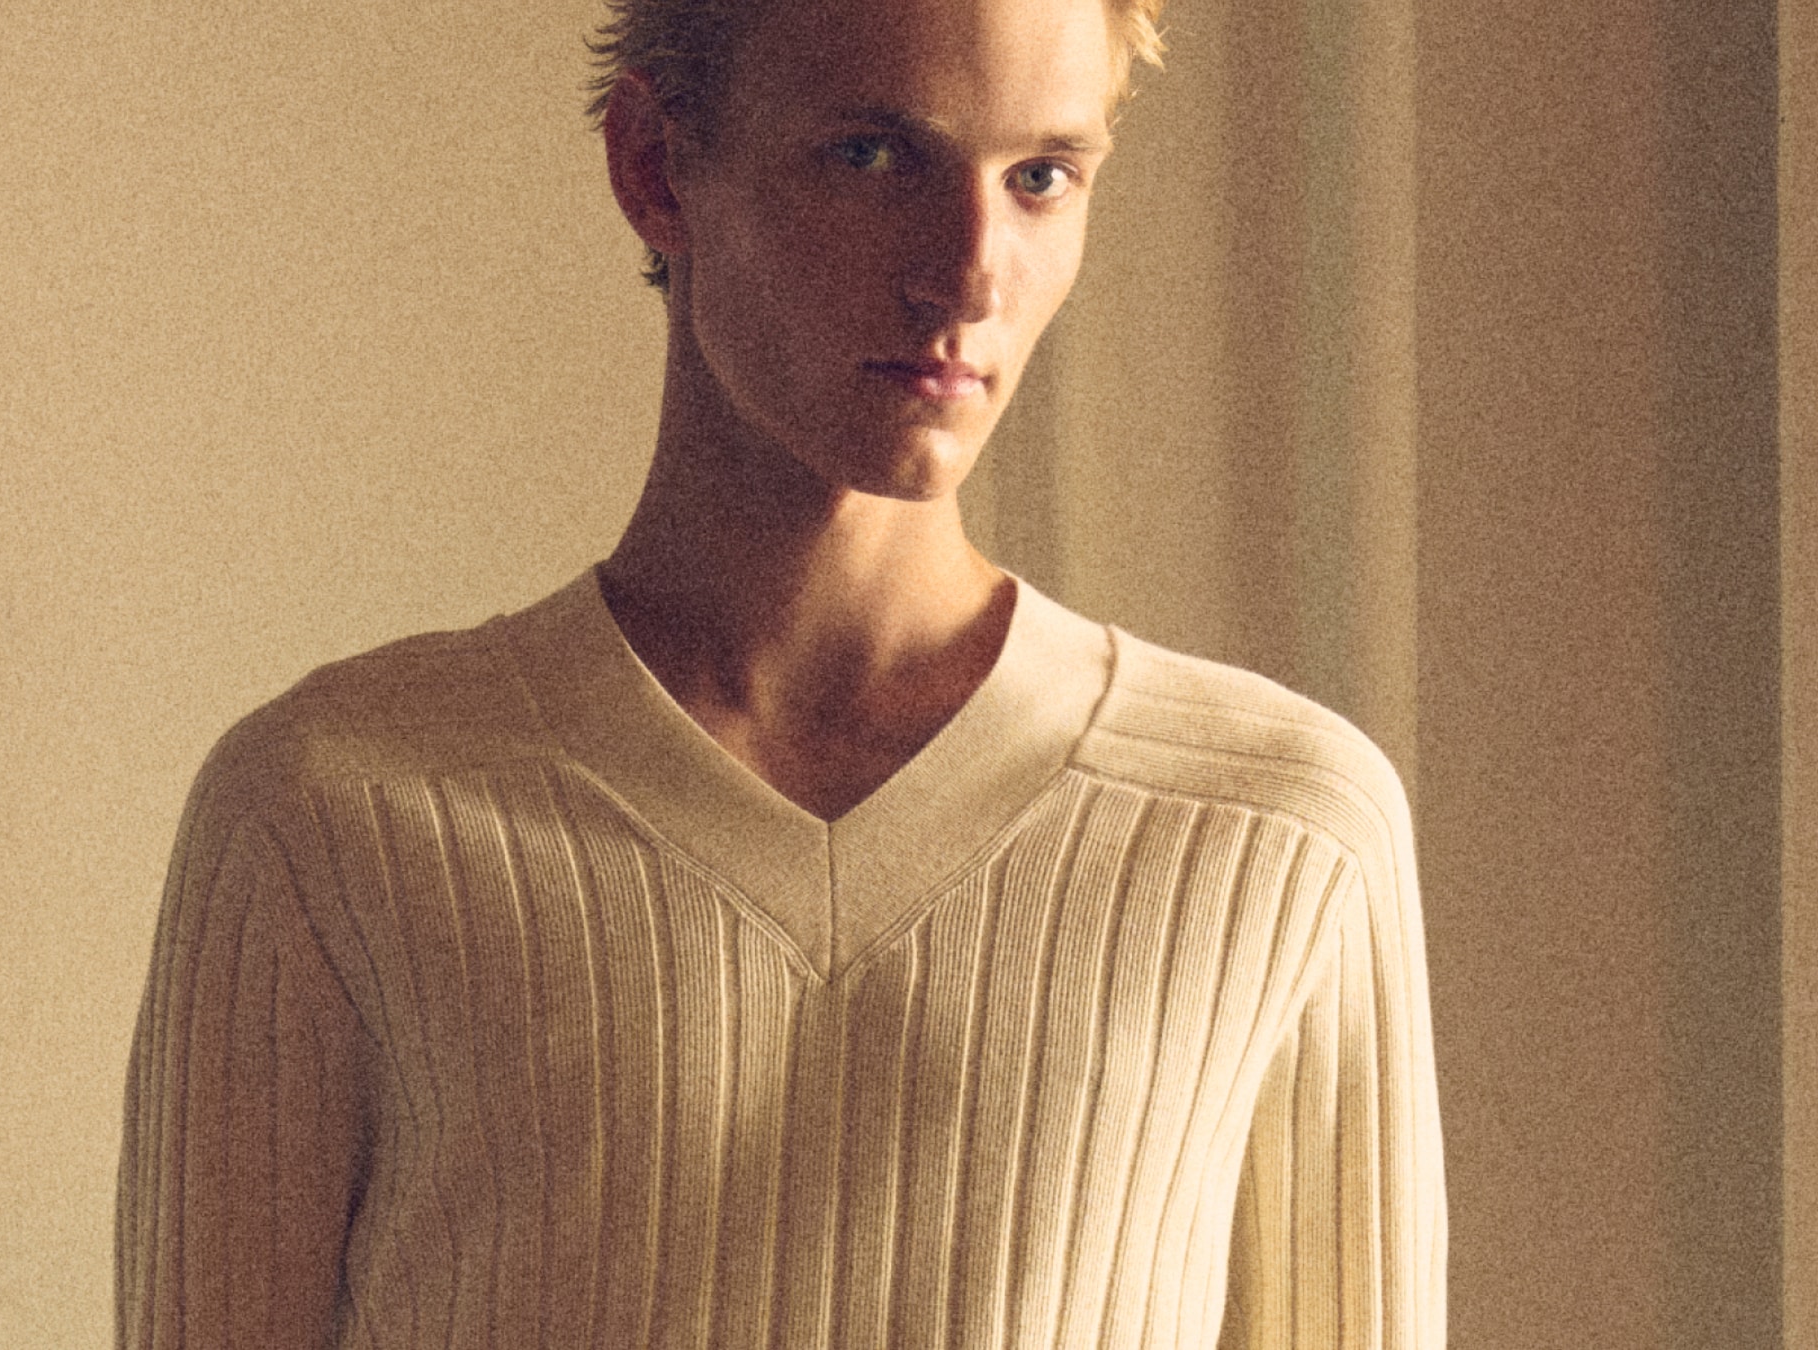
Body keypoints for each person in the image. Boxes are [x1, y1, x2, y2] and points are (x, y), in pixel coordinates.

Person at [116, 0, 1448, 1343]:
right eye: (875, 157)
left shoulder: (1281, 834)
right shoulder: (332, 819)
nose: (971, 271)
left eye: (1041, 177)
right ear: (655, 164)